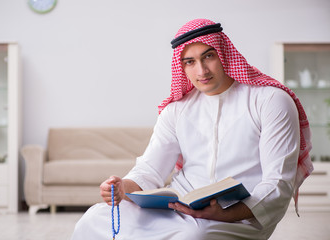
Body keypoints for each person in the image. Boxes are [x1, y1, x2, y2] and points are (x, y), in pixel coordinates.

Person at [71, 18, 313, 240]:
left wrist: (225, 214)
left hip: (240, 213)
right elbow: (149, 169)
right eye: (190, 62)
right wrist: (122, 187)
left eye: (208, 57)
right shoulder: (177, 110)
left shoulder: (270, 100)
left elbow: (278, 181)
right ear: (182, 67)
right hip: (180, 206)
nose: (202, 71)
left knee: (191, 237)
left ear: (224, 55)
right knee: (94, 218)